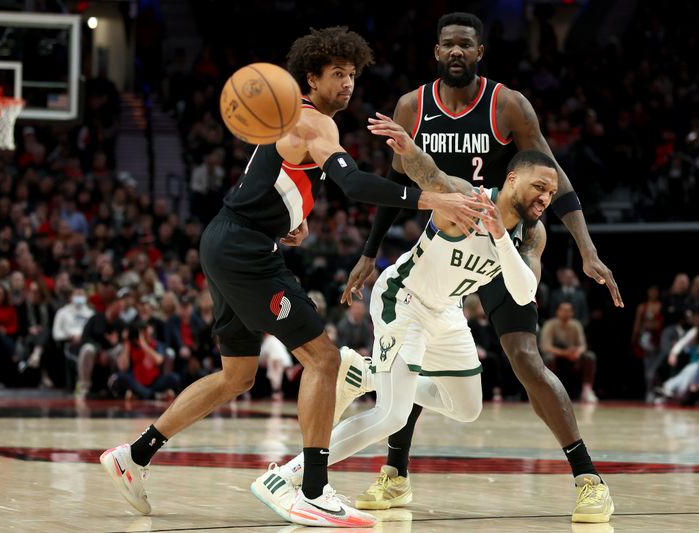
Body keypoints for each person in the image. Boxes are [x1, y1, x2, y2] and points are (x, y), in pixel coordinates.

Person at [99, 26, 483, 528]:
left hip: (229, 238)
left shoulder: (292, 120)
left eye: (352, 75)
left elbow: (273, 179)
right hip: (244, 249)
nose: (347, 84)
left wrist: (290, 220)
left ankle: (135, 456)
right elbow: (353, 184)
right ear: (311, 77)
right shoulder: (314, 122)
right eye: (337, 74)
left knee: (237, 375)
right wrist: (433, 198)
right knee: (323, 359)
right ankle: (313, 490)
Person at [338, 13, 621, 524]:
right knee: (418, 350)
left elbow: (550, 174)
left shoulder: (507, 104)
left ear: (479, 52)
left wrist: (587, 247)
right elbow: (395, 183)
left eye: (465, 45)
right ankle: (395, 475)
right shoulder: (412, 106)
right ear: (436, 50)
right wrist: (368, 252)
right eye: (448, 44)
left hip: (505, 242)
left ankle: (588, 479)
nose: (456, 53)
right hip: (446, 243)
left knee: (525, 357)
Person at [251, 138, 586, 517]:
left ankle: (365, 373)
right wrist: (408, 150)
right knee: (392, 415)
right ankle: (289, 475)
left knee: (466, 408)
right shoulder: (467, 199)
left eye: (552, 192)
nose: (546, 197)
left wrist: (498, 236)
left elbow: (524, 292)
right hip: (404, 300)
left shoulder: (531, 235)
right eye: (539, 187)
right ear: (512, 179)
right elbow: (431, 174)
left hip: (447, 313)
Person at [539, 301, 599, 403]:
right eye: (564, 310)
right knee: (548, 358)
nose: (566, 313)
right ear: (558, 312)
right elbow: (546, 347)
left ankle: (587, 390)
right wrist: (565, 353)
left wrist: (577, 352)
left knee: (590, 356)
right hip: (557, 358)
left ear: (572, 313)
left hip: (573, 358)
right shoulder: (550, 324)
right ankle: (549, 390)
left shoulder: (576, 325)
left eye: (569, 311)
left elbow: (582, 345)